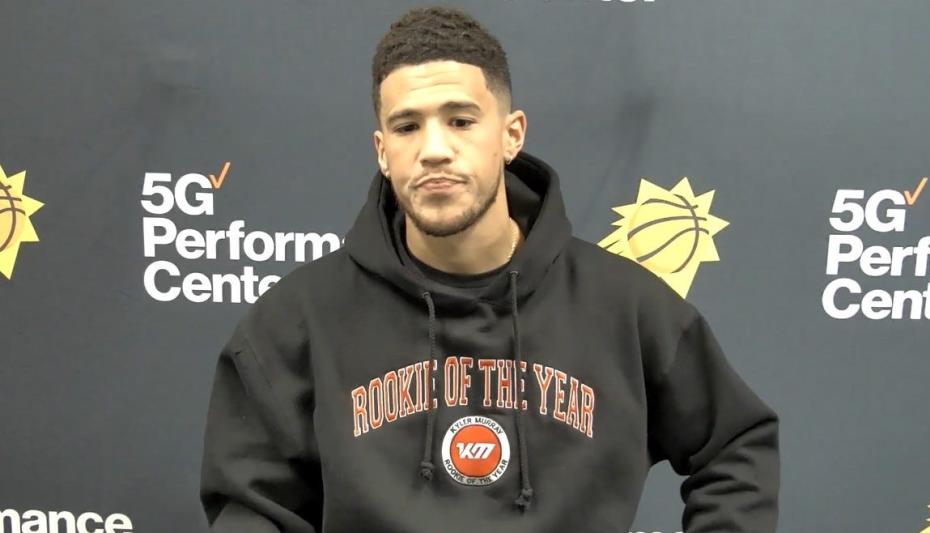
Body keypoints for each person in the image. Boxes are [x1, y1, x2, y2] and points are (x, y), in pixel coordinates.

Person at [199, 6, 780, 532]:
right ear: (382, 150)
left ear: (510, 135)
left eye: (460, 120)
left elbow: (734, 445)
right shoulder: (300, 317)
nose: (433, 149)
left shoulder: (624, 307)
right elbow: (250, 507)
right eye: (407, 126)